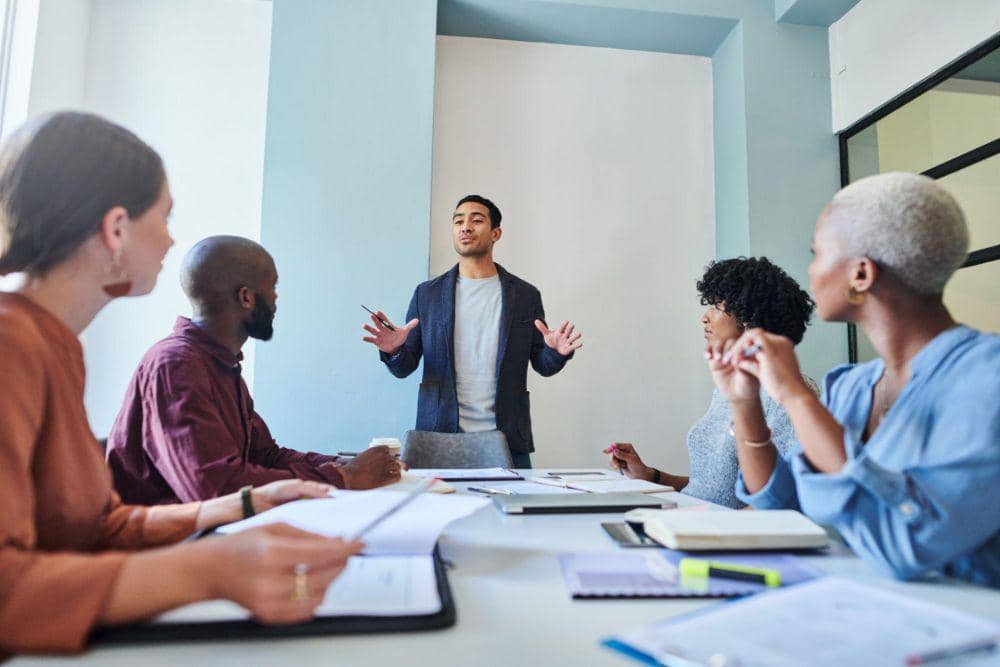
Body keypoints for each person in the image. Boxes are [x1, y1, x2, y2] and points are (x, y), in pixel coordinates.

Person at [0, 112, 362, 656]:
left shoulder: (55, 347)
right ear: (116, 228)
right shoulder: (12, 346)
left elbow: (101, 528)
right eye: (164, 216)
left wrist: (244, 505)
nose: (171, 239)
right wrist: (208, 569)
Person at [709, 172, 999, 586]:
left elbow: (906, 546)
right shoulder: (849, 387)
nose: (811, 272)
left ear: (860, 274)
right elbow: (781, 511)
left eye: (818, 254)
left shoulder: (986, 378)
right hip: (855, 604)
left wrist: (795, 395)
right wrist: (745, 404)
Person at [106, 236, 401, 504]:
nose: (276, 298)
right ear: (246, 297)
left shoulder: (220, 363)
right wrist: (342, 478)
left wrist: (345, 464)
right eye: (273, 286)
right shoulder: (176, 365)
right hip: (171, 540)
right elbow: (215, 489)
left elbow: (265, 455)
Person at [362, 195, 582, 468]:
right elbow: (404, 367)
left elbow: (543, 364)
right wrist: (394, 350)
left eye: (476, 220)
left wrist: (556, 352)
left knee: (515, 498)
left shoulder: (525, 295)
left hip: (507, 439)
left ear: (495, 233)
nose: (465, 227)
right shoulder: (427, 295)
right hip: (438, 438)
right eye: (458, 221)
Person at [605, 257, 816, 508]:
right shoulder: (731, 388)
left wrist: (710, 525)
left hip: (720, 529)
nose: (704, 318)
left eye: (716, 306)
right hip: (694, 518)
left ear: (748, 318)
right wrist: (651, 476)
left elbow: (780, 499)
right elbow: (714, 490)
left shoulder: (781, 395)